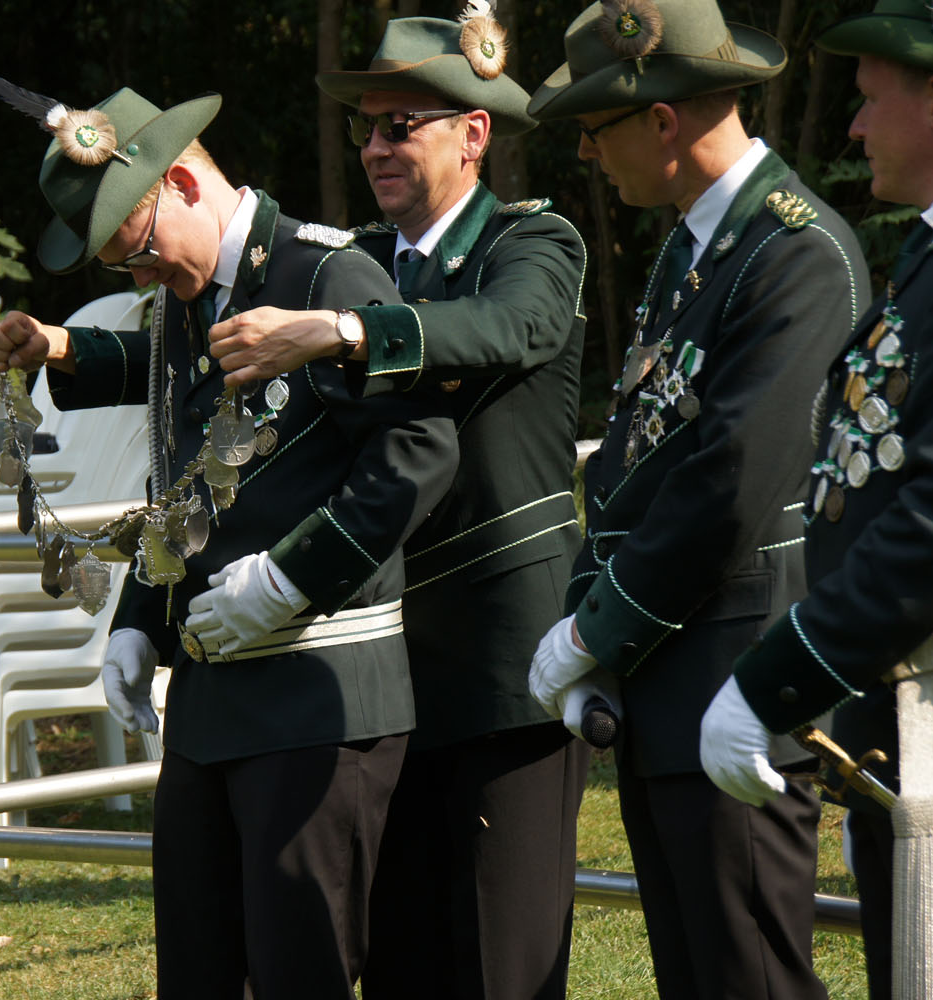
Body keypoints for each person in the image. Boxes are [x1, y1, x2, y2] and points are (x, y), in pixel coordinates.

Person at [0, 82, 459, 999]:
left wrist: (293, 579)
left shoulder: (323, 278)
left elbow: (418, 453)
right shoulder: (181, 302)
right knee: (197, 974)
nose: (141, 280)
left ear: (185, 185)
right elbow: (182, 477)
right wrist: (137, 619)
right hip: (210, 706)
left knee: (299, 976)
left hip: (320, 694)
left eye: (140, 253)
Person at [209, 15, 589, 998]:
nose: (376, 147)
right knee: (400, 964)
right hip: (385, 677)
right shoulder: (365, 257)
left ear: (474, 134)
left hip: (501, 668)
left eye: (400, 126)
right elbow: (236, 336)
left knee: (501, 965)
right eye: (366, 129)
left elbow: (509, 325)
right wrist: (70, 353)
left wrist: (341, 330)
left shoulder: (532, 241)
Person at [522, 0, 871, 996]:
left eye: (596, 130)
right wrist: (596, 630)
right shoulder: (697, 246)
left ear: (663, 121)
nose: (587, 154)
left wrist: (598, 629)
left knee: (746, 976)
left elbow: (731, 479)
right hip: (671, 685)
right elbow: (633, 461)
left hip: (735, 684)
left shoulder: (795, 251)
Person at [696, 3, 933, 997]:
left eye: (872, 100)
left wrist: (777, 679)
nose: (854, 125)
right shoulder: (923, 259)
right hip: (898, 711)